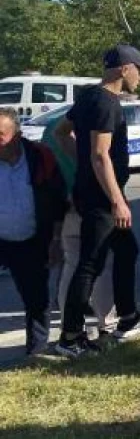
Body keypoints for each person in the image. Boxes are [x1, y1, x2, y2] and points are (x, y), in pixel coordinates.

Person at [54, 44, 140, 358]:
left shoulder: (88, 96)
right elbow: (101, 155)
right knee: (90, 264)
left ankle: (128, 318)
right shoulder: (105, 102)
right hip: (102, 199)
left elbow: (62, 133)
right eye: (139, 70)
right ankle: (70, 338)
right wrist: (118, 200)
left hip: (95, 191)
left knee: (128, 250)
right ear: (122, 69)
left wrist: (85, 165)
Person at [45, 105, 118, 339]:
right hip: (90, 201)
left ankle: (68, 326)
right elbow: (97, 160)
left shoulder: (51, 128)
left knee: (72, 266)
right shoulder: (89, 124)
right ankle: (107, 322)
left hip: (64, 204)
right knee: (102, 265)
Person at [0, 108, 67, 356]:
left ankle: (36, 353)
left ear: (16, 135)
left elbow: (58, 199)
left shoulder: (40, 157)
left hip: (31, 239)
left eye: (0, 135)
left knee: (36, 298)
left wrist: (56, 239)